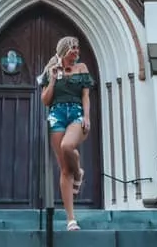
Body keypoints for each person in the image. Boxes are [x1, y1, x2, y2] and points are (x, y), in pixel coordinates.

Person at [40, 35, 94, 232]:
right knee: (64, 169)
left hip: (77, 114)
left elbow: (86, 96)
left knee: (67, 146)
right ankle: (71, 219)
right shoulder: (50, 70)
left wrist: (87, 117)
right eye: (74, 49)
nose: (77, 52)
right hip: (56, 116)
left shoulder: (82, 69)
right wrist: (53, 80)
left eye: (78, 49)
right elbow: (45, 101)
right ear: (64, 50)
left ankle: (78, 172)